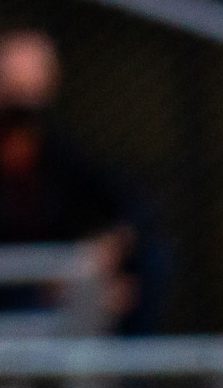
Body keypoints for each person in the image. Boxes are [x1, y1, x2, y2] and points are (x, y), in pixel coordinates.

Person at [0, 28, 155, 333]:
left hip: (58, 284)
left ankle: (131, 375)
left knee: (148, 262)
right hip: (16, 287)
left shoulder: (58, 154)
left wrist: (104, 250)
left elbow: (136, 209)